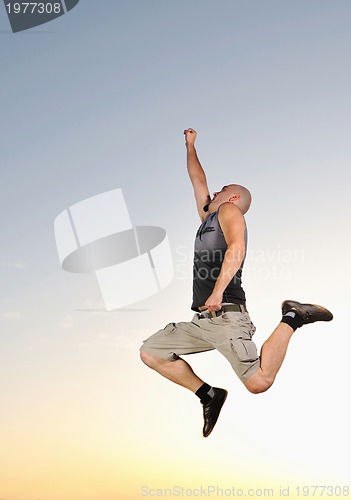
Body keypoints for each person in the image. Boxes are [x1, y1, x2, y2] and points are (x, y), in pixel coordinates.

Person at [140, 128, 333, 438]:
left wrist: (217, 291)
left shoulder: (229, 211)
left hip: (227, 314)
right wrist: (190, 145)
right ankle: (208, 395)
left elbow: (237, 249)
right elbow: (198, 180)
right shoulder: (207, 220)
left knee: (259, 382)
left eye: (222, 189)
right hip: (202, 321)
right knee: (152, 352)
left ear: (232, 198)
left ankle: (294, 315)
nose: (214, 191)